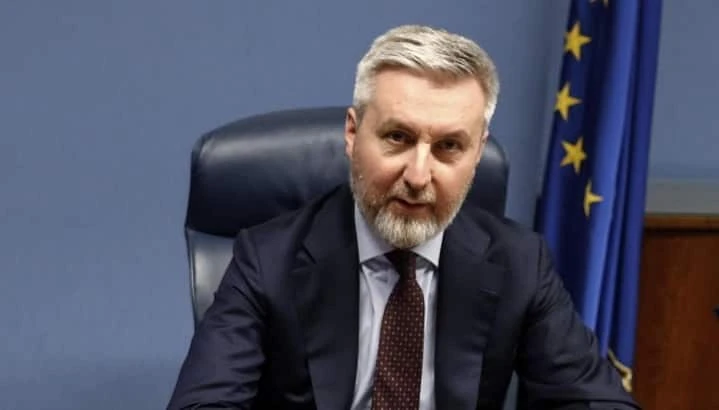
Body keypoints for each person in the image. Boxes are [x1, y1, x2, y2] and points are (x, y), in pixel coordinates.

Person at [167, 24, 639, 410]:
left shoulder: (520, 262)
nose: (418, 176)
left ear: (478, 153)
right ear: (353, 134)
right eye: (397, 137)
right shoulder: (266, 259)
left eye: (449, 146)